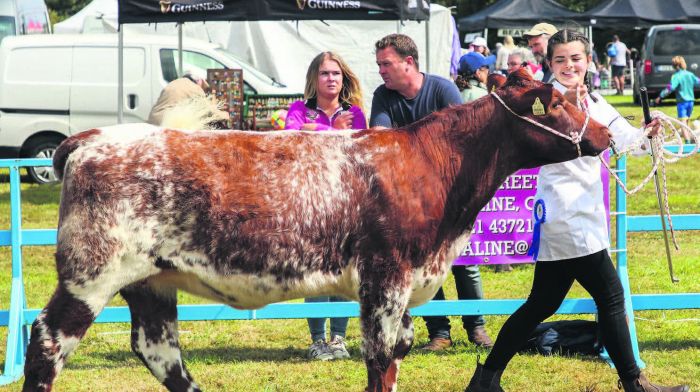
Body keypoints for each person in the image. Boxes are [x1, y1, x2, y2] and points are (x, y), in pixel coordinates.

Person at [465, 29, 690, 392]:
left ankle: (485, 379)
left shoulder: (596, 100)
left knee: (541, 304)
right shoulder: (542, 100)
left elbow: (623, 140)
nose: (569, 65)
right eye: (560, 59)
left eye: (576, 58)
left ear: (588, 61)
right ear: (548, 63)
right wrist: (563, 102)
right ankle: (635, 383)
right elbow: (536, 130)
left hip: (584, 215)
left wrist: (647, 135)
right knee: (611, 297)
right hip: (563, 215)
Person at [370, 33, 493, 350]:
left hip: (452, 195)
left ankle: (476, 327)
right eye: (379, 65)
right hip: (411, 199)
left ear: (408, 62)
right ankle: (439, 333)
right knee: (423, 265)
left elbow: (462, 140)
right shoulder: (383, 96)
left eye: (386, 64)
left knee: (464, 261)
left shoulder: (443, 89)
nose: (381, 71)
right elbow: (381, 141)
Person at [284, 51, 367, 360]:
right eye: (325, 74)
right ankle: (317, 340)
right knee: (317, 273)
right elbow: (291, 136)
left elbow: (359, 146)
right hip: (310, 200)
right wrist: (332, 130)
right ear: (314, 78)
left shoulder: (354, 112)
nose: (331, 79)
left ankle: (338, 339)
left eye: (336, 74)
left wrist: (315, 131)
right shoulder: (299, 109)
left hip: (346, 200)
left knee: (343, 274)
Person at [655, 55, 700, 142]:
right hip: (691, 101)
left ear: (675, 65)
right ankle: (688, 137)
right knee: (686, 121)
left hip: (682, 103)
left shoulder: (676, 76)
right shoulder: (690, 74)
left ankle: (688, 142)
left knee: (683, 123)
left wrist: (660, 96)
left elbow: (670, 88)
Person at [148, 70, 214, 126]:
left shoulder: (173, 83)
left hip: (152, 121)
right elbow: (208, 111)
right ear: (199, 80)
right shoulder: (195, 88)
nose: (202, 87)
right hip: (166, 123)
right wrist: (223, 116)